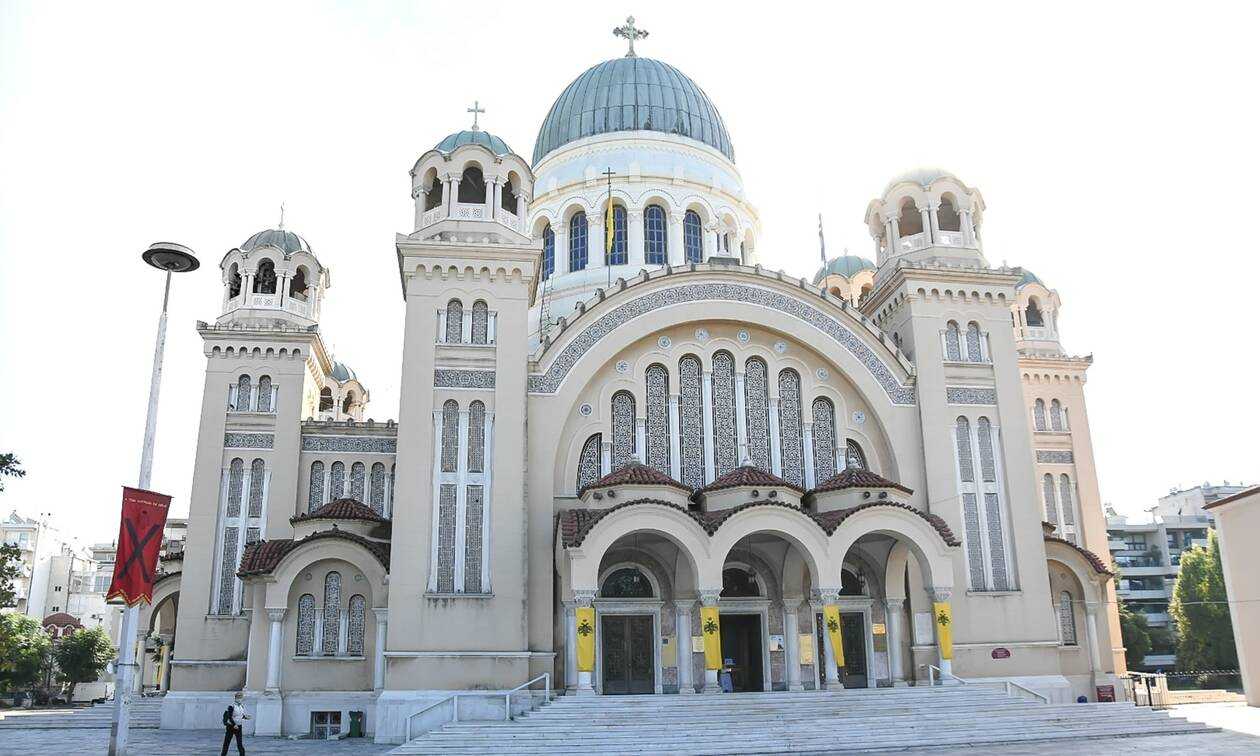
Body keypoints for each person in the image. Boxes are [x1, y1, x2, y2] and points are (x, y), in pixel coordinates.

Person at [221, 691, 249, 756]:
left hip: (239, 727)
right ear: (235, 698)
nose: (240, 698)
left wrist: (245, 717)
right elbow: (230, 717)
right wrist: (234, 724)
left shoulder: (241, 706)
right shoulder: (231, 706)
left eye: (241, 697)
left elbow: (239, 715)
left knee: (239, 743)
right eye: (238, 697)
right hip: (231, 727)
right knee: (226, 743)